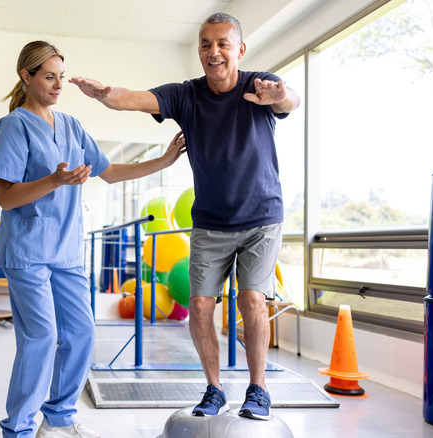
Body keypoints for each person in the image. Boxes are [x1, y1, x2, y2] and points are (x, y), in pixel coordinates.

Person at [70, 12, 300, 421]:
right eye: (206, 44)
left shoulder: (258, 86)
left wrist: (280, 95)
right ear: (199, 50)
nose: (214, 52)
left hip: (261, 217)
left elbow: (289, 100)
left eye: (223, 44)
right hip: (211, 222)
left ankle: (258, 389)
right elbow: (133, 98)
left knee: (251, 298)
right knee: (198, 306)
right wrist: (104, 94)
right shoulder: (186, 95)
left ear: (240, 50)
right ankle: (213, 389)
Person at [0, 40, 186, 438]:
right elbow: (6, 196)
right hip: (27, 251)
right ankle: (20, 429)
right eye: (49, 76)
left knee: (81, 333)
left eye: (61, 76)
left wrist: (163, 161)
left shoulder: (72, 126)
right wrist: (54, 180)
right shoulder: (13, 126)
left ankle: (59, 418)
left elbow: (110, 172)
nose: (58, 84)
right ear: (26, 77)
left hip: (66, 251)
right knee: (41, 338)